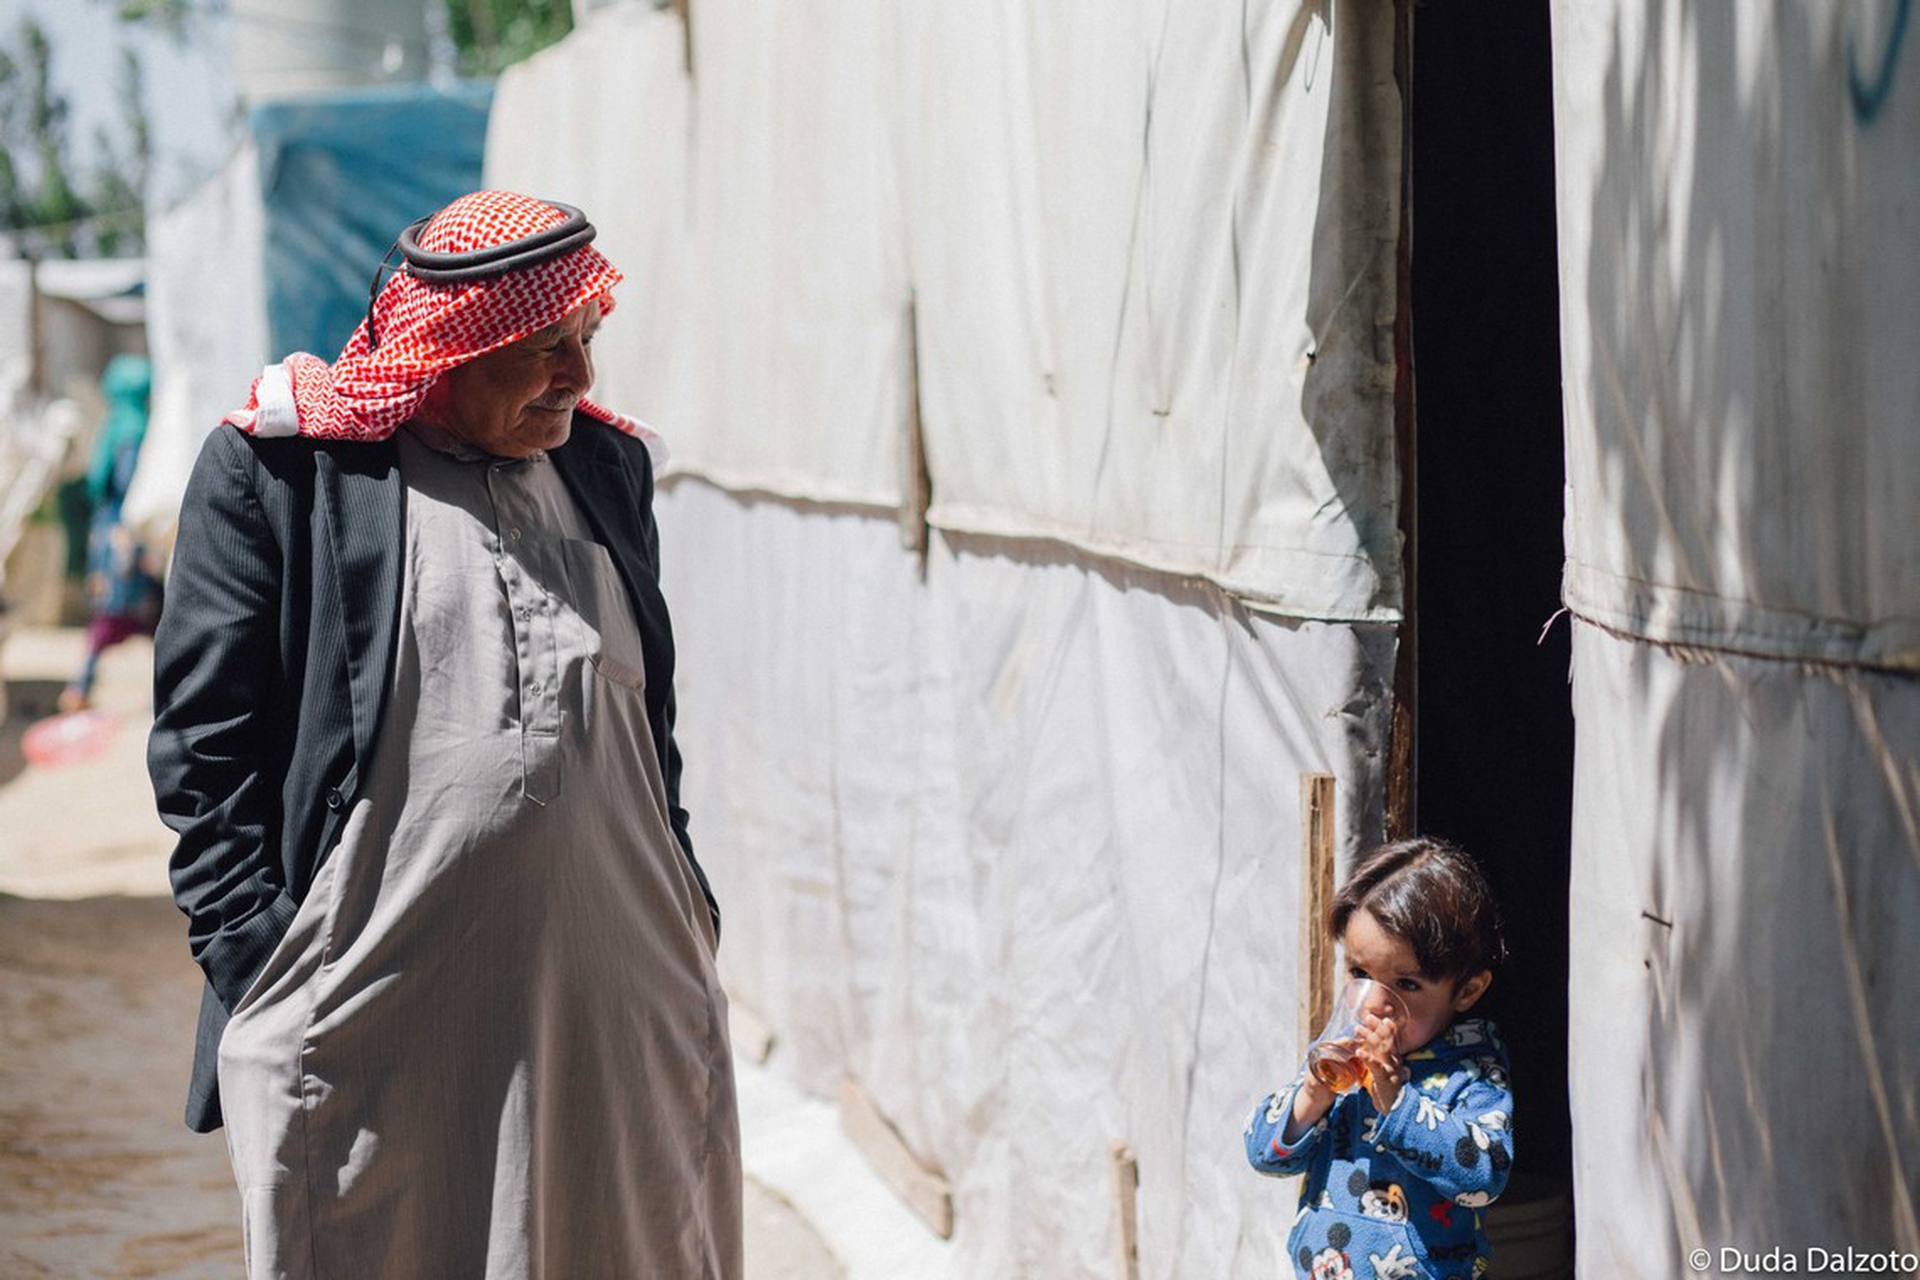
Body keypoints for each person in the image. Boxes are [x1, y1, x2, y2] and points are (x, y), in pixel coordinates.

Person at [148, 191, 741, 1278]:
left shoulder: (610, 471)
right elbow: (203, 749)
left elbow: (640, 721)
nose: (580, 375)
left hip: (616, 993)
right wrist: (265, 964)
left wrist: (688, 904)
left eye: (588, 337)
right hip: (375, 1007)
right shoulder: (285, 474)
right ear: (447, 347)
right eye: (544, 346)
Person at [1244, 837, 1513, 1280]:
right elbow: (1263, 1153)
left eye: (1406, 984)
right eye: (1360, 974)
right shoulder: (1340, 1062)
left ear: (1466, 990)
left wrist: (1397, 1100)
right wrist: (1312, 1095)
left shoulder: (1471, 1072)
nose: (1373, 1005)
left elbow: (1484, 1177)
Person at [60, 354, 162, 713]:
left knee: (127, 616)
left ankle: (83, 685)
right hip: (126, 534)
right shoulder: (134, 429)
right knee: (143, 615)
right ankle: (84, 685)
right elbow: (127, 482)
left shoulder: (113, 425)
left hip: (105, 532)